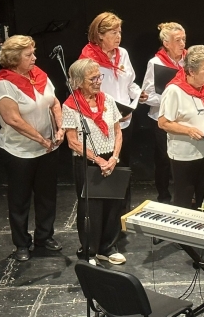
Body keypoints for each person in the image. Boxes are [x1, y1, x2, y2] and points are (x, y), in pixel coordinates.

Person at [0, 35, 65, 261]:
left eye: (33, 53)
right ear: (14, 58)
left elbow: (54, 102)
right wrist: (41, 140)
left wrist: (60, 128)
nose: (34, 58)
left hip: (48, 148)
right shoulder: (4, 84)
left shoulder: (39, 75)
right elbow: (13, 120)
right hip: (19, 151)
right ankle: (21, 244)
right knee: (20, 198)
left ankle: (45, 236)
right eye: (29, 55)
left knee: (46, 196)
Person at [80, 12, 147, 214]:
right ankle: (105, 219)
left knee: (123, 169)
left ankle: (122, 216)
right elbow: (86, 92)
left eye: (120, 31)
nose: (119, 36)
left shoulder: (122, 54)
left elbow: (129, 83)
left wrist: (138, 94)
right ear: (100, 35)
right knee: (106, 172)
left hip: (125, 121)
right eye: (113, 32)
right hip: (102, 124)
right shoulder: (88, 59)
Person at [62, 58, 125, 265]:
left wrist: (114, 157)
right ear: (79, 81)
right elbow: (72, 141)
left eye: (100, 76)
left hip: (111, 159)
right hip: (87, 161)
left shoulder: (107, 100)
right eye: (93, 78)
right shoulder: (71, 106)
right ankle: (89, 250)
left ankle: (108, 247)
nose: (99, 81)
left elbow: (117, 131)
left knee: (114, 205)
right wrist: (97, 160)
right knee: (91, 208)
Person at [158, 45, 204, 210]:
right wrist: (188, 130)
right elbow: (163, 122)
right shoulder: (174, 90)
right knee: (184, 199)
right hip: (185, 155)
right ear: (192, 71)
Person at [141, 22, 187, 204]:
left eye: (184, 39)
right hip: (162, 118)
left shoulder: (189, 59)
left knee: (183, 158)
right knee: (164, 160)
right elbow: (147, 95)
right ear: (166, 43)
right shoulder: (156, 63)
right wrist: (170, 99)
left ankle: (183, 195)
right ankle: (164, 196)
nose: (183, 43)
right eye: (178, 40)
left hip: (185, 118)